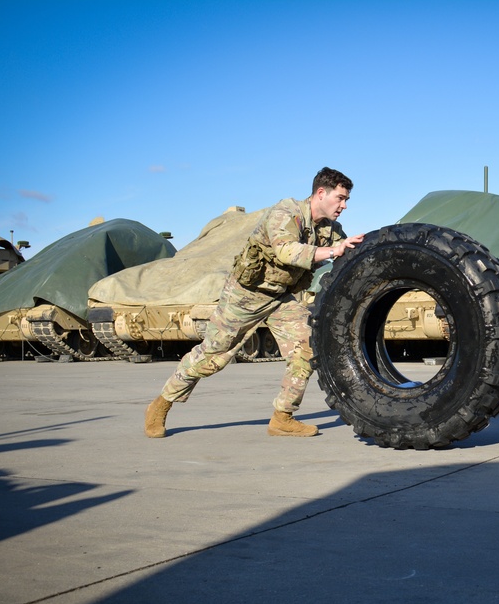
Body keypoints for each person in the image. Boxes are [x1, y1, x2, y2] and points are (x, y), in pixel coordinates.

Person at [144, 167, 364, 439]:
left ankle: (283, 417)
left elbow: (346, 249)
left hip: (280, 297)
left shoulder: (329, 229)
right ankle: (163, 402)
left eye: (346, 201)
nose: (343, 206)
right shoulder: (286, 213)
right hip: (246, 295)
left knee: (307, 346)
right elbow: (286, 251)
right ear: (321, 193)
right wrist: (332, 251)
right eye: (340, 198)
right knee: (213, 356)